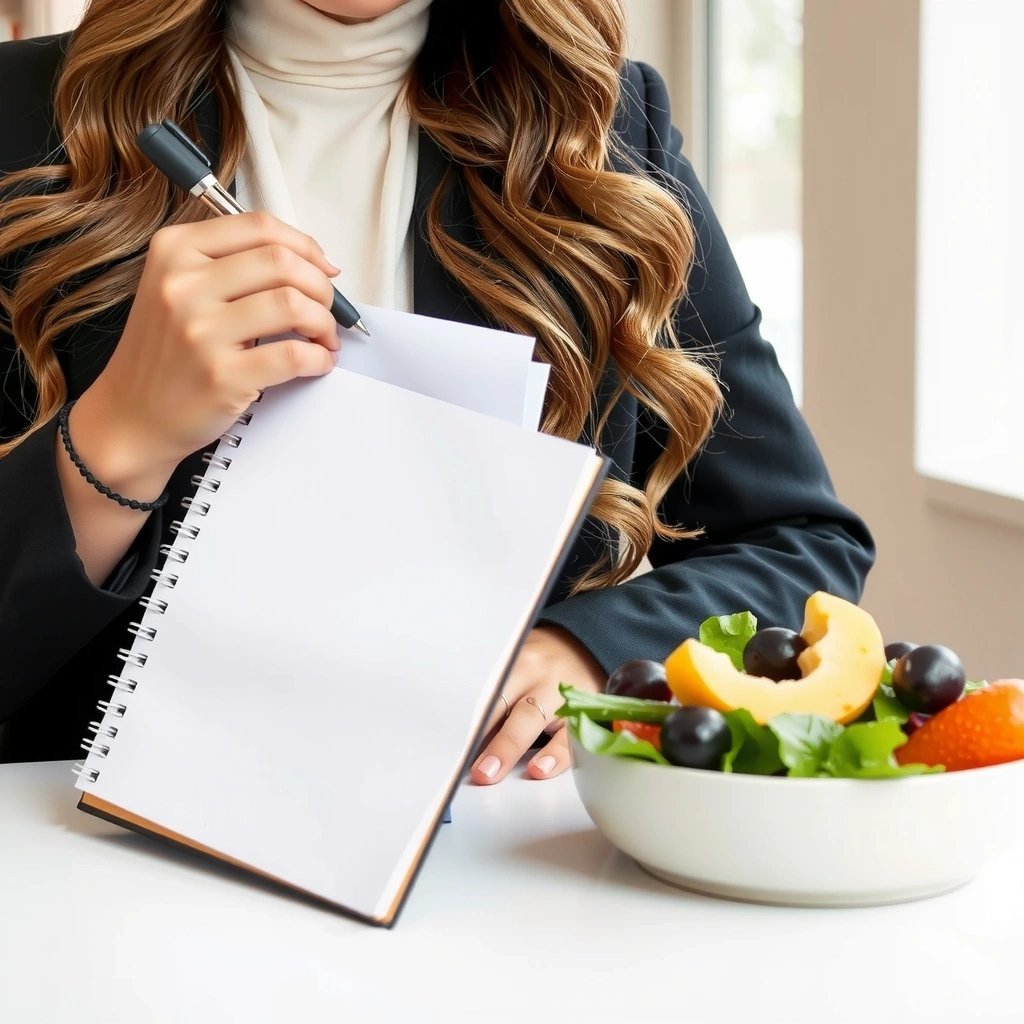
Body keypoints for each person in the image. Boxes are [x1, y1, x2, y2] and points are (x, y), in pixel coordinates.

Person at [0, 0, 873, 779]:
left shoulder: (606, 126)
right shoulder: (18, 115)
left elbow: (798, 542)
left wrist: (589, 649)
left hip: (489, 867)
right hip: (83, 871)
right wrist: (120, 436)